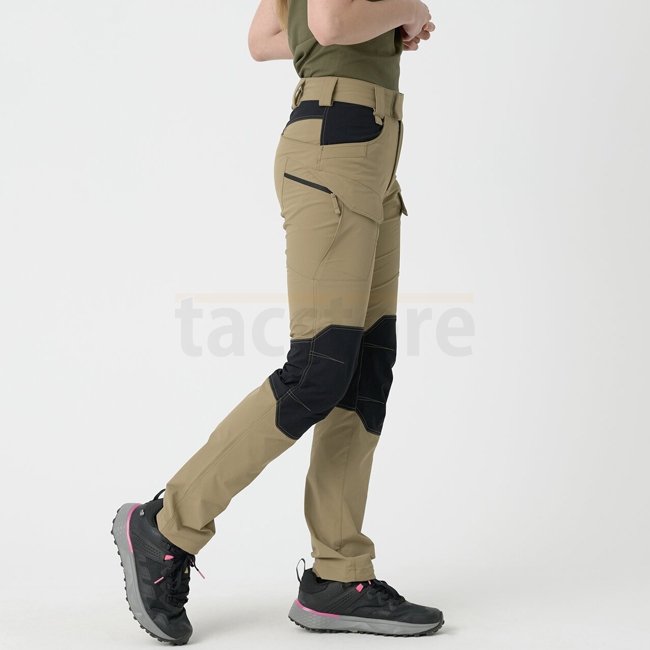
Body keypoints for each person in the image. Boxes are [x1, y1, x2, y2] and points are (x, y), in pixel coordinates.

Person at [111, 0, 443, 643]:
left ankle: (338, 574)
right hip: (339, 142)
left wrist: (379, 22)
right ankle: (165, 526)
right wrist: (409, 9)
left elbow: (265, 36)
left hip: (371, 148)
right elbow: (329, 24)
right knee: (318, 368)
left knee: (365, 367)